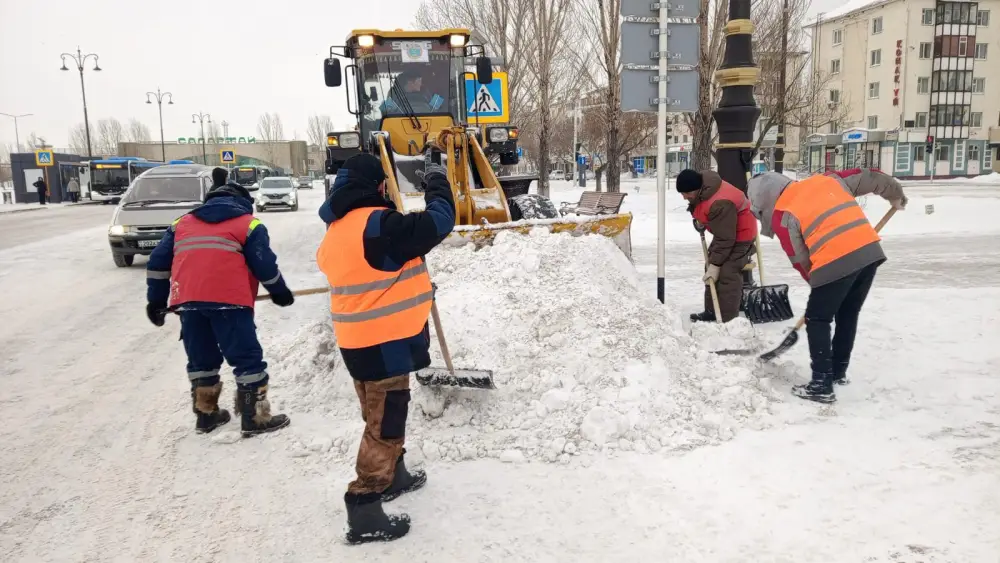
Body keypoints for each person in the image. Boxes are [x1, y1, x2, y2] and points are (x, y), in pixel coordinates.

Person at [316, 152, 455, 544]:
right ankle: (364, 506)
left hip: (359, 342)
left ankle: (396, 474)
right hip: (383, 342)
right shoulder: (375, 226)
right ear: (378, 187)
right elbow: (440, 220)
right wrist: (436, 179)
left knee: (383, 414)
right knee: (385, 424)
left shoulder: (338, 230)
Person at [145, 167, 294, 437]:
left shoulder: (181, 224)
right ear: (243, 203)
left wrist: (155, 301)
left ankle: (206, 415)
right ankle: (255, 418)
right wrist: (279, 291)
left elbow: (157, 263)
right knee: (246, 359)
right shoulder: (248, 224)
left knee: (201, 358)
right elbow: (264, 264)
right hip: (230, 303)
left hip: (188, 302)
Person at [748, 168, 908, 404]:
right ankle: (838, 372)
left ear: (765, 201)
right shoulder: (828, 180)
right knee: (847, 312)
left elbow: (800, 259)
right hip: (869, 252)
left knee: (818, 319)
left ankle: (821, 384)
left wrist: (819, 288)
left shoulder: (783, 214)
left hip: (835, 259)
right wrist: (896, 195)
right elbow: (871, 177)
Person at [676, 169, 759, 323]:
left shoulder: (721, 203)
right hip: (727, 233)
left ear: (696, 189)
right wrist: (701, 220)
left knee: (728, 271)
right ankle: (712, 311)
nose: (684, 197)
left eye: (686, 193)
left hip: (742, 235)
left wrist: (716, 264)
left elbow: (726, 239)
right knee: (711, 267)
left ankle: (728, 321)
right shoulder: (704, 189)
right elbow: (704, 209)